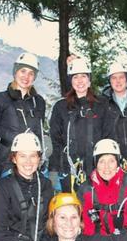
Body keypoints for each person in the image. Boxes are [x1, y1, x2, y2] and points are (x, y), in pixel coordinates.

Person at [48, 57, 114, 193]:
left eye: (83, 76)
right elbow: (55, 140)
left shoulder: (102, 105)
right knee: (70, 210)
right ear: (70, 81)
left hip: (96, 169)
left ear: (89, 80)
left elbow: (108, 136)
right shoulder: (61, 107)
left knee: (93, 209)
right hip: (68, 170)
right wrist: (53, 169)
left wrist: (108, 167)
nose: (79, 81)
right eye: (75, 77)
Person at [77, 138, 127, 241]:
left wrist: (125, 222)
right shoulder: (86, 190)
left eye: (111, 161)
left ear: (118, 162)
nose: (107, 167)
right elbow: (85, 224)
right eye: (101, 161)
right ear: (95, 164)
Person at [0, 52, 48, 184]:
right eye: (23, 71)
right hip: (7, 160)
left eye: (31, 73)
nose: (26, 76)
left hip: (33, 162)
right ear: (15, 72)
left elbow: (40, 132)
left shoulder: (38, 102)